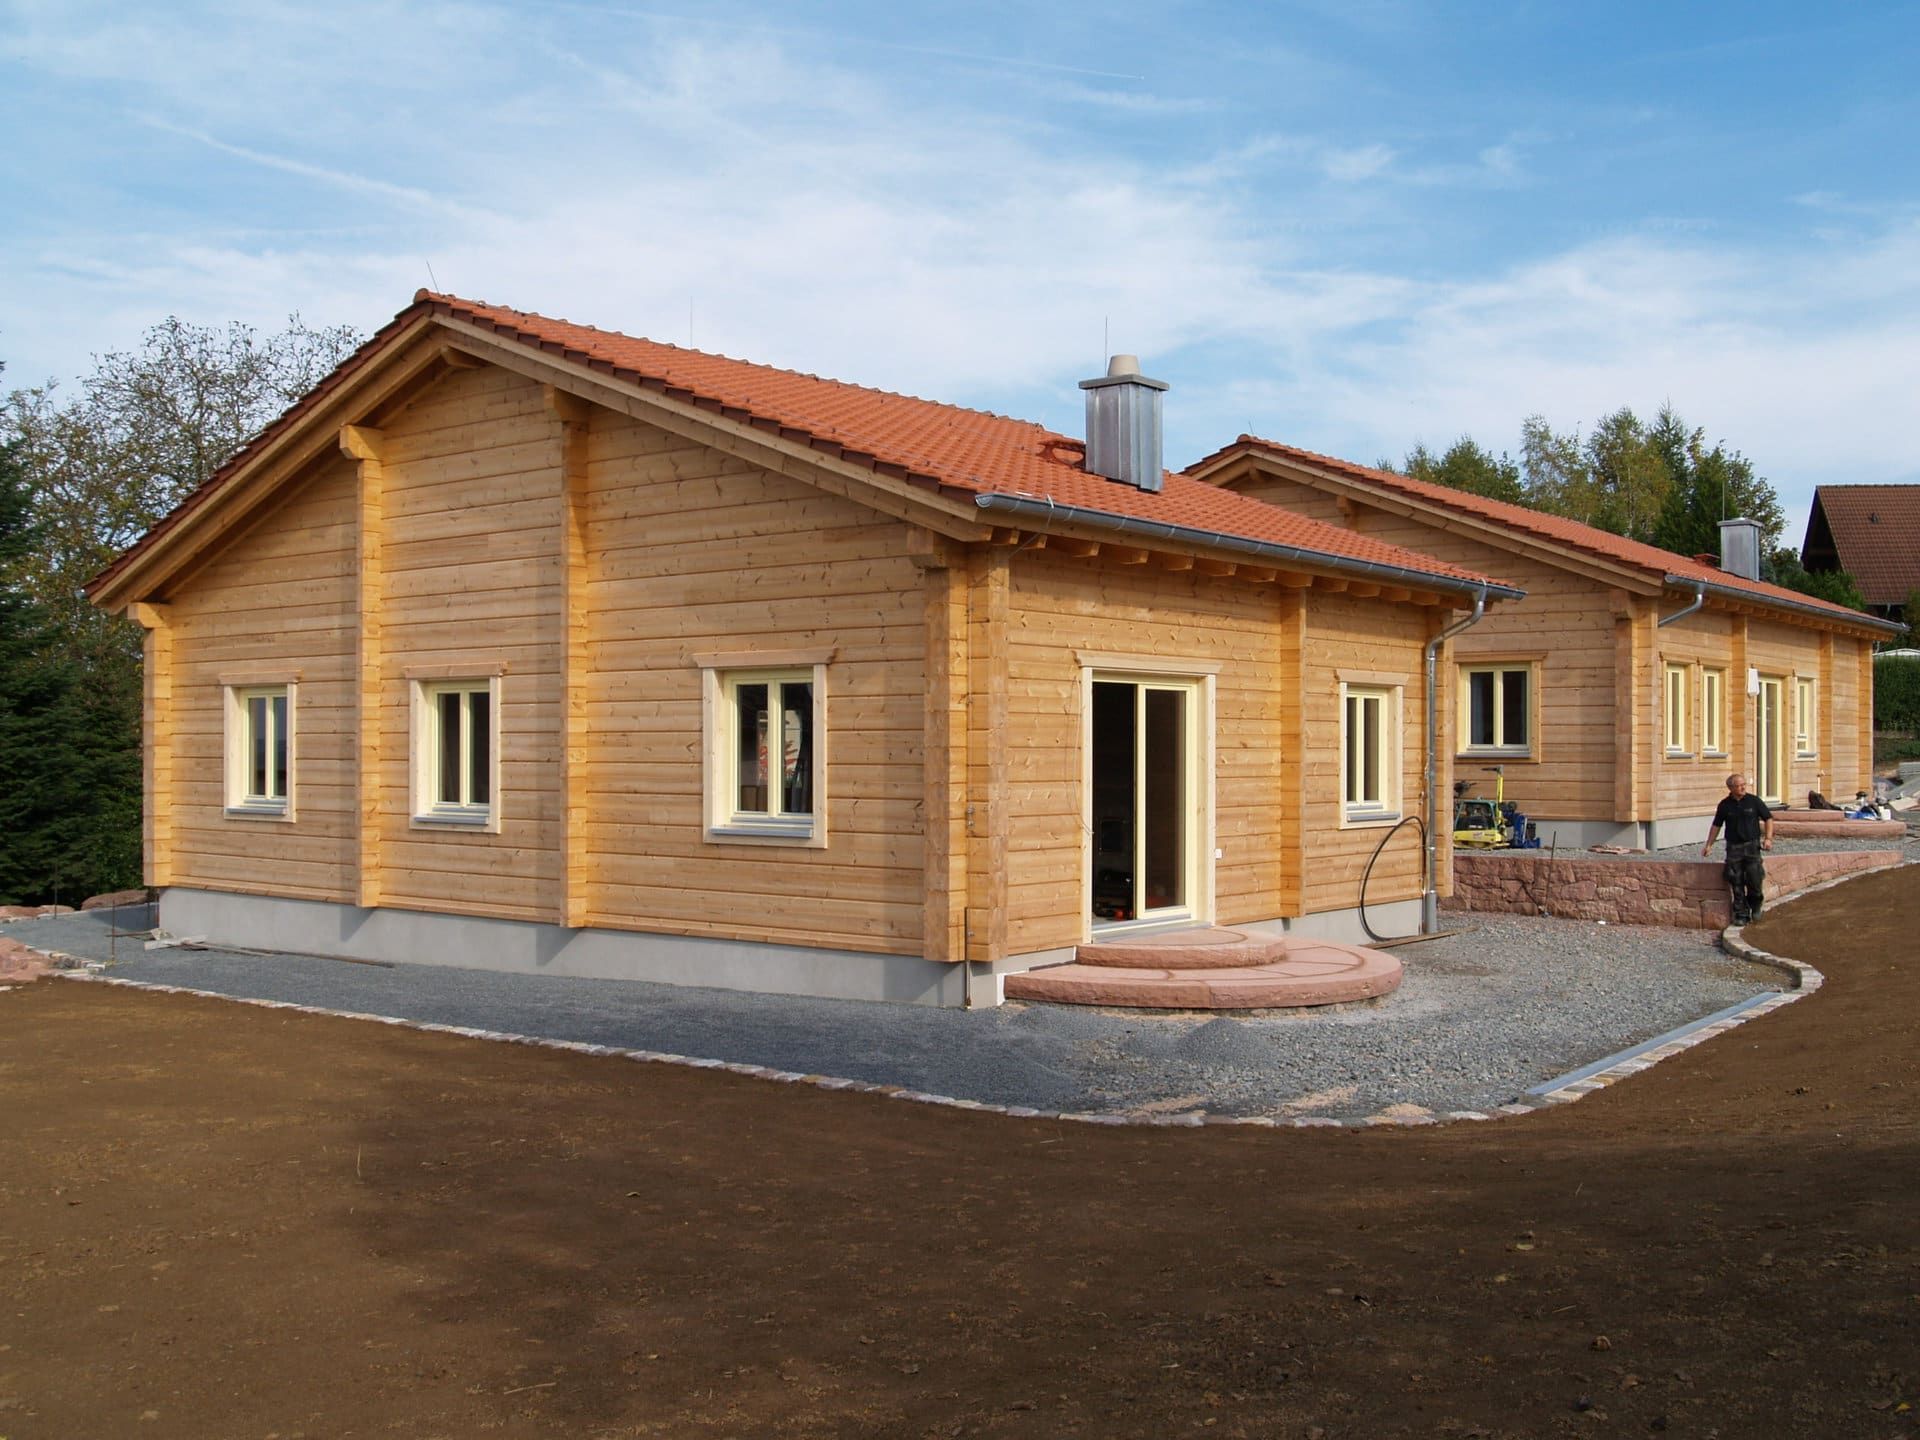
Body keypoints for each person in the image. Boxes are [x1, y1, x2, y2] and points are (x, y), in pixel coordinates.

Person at [1701, 773, 1774, 924]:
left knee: (1755, 878)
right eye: (1739, 785)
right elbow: (1716, 825)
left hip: (1752, 846)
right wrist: (1709, 845)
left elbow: (1768, 818)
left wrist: (1768, 838)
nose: (1743, 788)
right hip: (1734, 847)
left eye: (1744, 784)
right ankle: (1741, 914)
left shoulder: (1754, 801)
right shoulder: (1725, 805)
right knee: (1736, 880)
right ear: (1731, 788)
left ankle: (1755, 905)